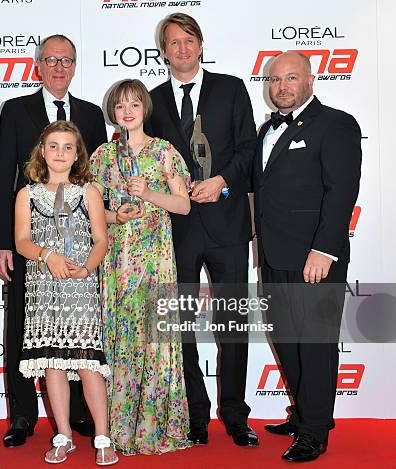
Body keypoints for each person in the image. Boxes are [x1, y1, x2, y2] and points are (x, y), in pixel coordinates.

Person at [145, 12, 258, 446]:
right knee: (182, 326)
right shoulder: (151, 102)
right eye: (173, 42)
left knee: (233, 323)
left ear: (201, 44)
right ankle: (195, 413)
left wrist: (222, 182)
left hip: (228, 223)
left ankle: (234, 413)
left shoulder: (230, 88)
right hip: (177, 229)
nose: (182, 49)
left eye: (189, 40)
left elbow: (248, 148)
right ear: (164, 51)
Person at [0, 34, 107, 447]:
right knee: (25, 326)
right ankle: (22, 416)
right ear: (38, 64)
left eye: (67, 60)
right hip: (33, 240)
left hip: (81, 246)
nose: (59, 67)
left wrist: (105, 230)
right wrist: (3, 242)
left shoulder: (93, 115)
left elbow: (97, 181)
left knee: (78, 334)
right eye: (51, 60)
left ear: (75, 66)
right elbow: (5, 173)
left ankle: (78, 417)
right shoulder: (16, 109)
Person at [253, 51, 361, 462]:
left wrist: (325, 250)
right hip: (275, 254)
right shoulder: (267, 130)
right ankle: (302, 414)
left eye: (291, 78)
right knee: (287, 339)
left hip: (315, 257)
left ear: (310, 80)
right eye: (275, 79)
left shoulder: (336, 124)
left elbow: (342, 192)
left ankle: (315, 431)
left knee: (315, 344)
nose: (282, 86)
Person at [90, 79, 191, 455]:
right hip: (116, 261)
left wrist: (149, 194)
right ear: (112, 112)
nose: (127, 111)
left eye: (134, 104)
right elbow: (91, 211)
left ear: (145, 108)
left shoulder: (164, 152)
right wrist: (116, 215)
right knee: (120, 338)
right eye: (120, 106)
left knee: (154, 340)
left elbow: (184, 206)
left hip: (154, 261)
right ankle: (113, 429)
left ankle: (155, 427)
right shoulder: (101, 156)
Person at [14, 120, 117, 466]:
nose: (60, 153)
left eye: (67, 147)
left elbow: (102, 240)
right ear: (42, 151)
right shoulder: (26, 195)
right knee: (52, 365)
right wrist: (48, 256)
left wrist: (86, 268)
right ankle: (63, 435)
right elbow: (22, 242)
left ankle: (103, 436)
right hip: (43, 287)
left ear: (77, 155)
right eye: (53, 146)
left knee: (89, 365)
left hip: (81, 287)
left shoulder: (89, 192)